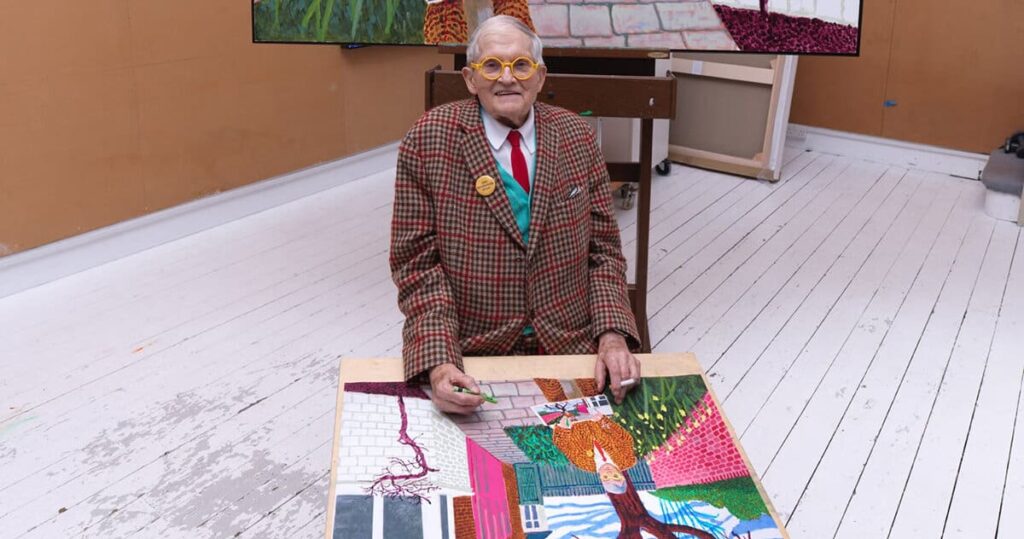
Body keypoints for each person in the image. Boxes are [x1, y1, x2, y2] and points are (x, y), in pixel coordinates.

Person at [390, 15, 641, 414]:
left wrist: (611, 336)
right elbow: (417, 266)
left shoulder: (578, 136)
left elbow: (604, 253)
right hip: (471, 351)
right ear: (470, 79)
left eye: (520, 65)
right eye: (491, 65)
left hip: (571, 346)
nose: (507, 78)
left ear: (540, 77)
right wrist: (439, 361)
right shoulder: (427, 140)